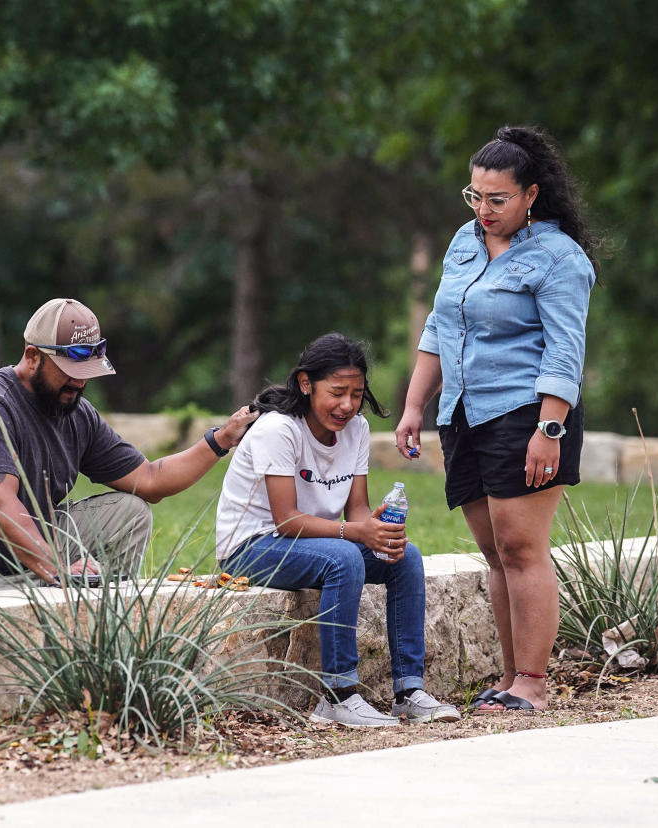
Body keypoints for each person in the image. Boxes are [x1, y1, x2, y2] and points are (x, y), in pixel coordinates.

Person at [395, 126, 599, 713]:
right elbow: (439, 326)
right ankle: (510, 677)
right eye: (475, 196)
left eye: (497, 199)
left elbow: (566, 351)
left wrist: (549, 430)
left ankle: (533, 682)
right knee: (493, 552)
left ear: (531, 194)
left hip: (526, 414)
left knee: (521, 547)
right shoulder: (465, 241)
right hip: (463, 413)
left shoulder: (560, 259)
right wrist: (415, 406)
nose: (483, 210)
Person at [0, 297, 257, 595]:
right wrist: (59, 570)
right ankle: (58, 596)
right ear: (32, 356)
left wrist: (222, 439)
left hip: (28, 560)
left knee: (130, 511)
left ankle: (100, 625)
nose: (79, 380)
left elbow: (149, 480)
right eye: (68, 368)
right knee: (43, 579)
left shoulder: (74, 411)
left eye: (87, 369)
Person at [216, 333, 459, 727]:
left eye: (356, 394)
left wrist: (376, 528)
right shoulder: (278, 429)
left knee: (405, 557)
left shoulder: (356, 429)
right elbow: (287, 521)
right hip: (251, 547)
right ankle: (338, 695)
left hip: (317, 542)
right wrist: (355, 533)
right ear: (306, 384)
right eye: (337, 392)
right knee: (345, 558)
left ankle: (409, 691)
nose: (347, 405)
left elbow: (357, 509)